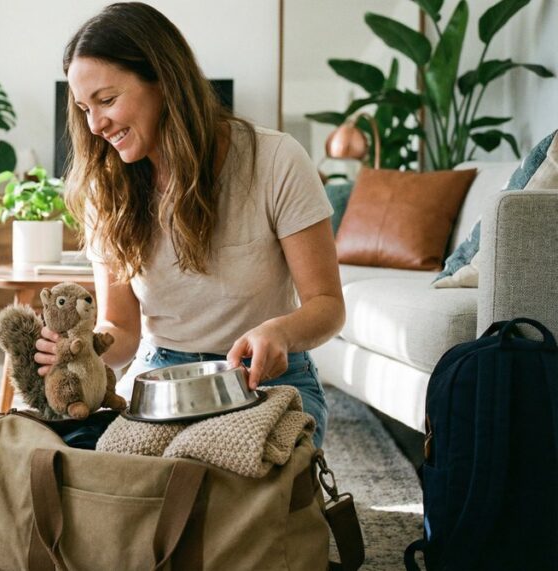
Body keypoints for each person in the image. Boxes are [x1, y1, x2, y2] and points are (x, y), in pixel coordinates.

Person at [33, 2, 345, 447]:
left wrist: (279, 331)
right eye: (84, 108)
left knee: (224, 484)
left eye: (107, 100)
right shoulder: (107, 189)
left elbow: (327, 304)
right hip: (161, 379)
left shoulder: (275, 160)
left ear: (164, 81)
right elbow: (121, 330)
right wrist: (84, 345)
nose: (95, 124)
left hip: (269, 381)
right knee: (114, 479)